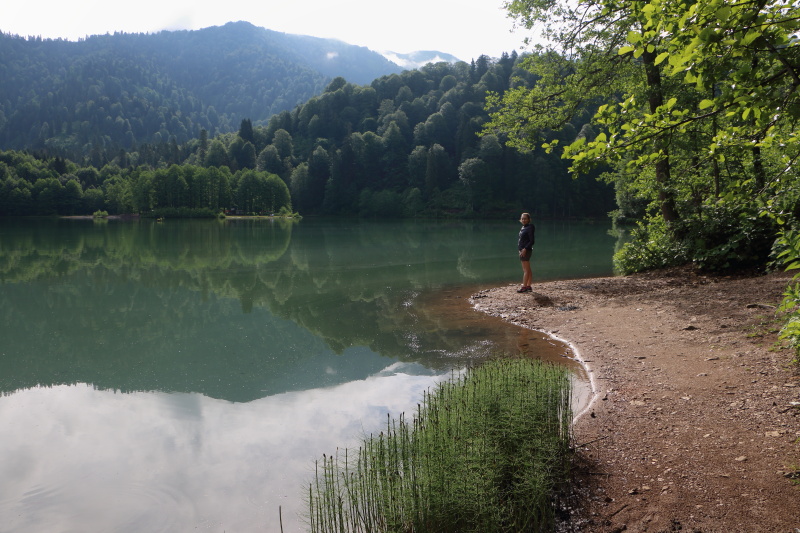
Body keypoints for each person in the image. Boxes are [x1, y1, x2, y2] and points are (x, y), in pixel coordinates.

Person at [517, 212, 535, 293]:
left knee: (525, 270)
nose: (523, 220)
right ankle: (528, 286)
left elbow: (532, 241)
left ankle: (524, 287)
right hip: (522, 250)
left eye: (525, 218)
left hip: (525, 250)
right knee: (528, 269)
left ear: (529, 219)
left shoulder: (530, 227)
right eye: (522, 218)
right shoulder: (523, 227)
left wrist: (525, 249)